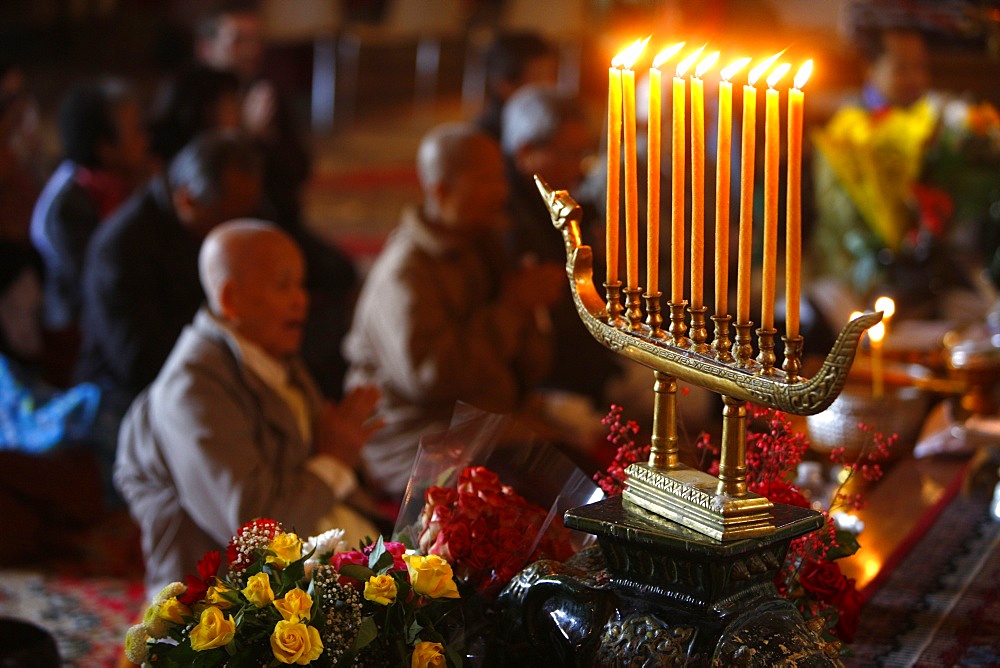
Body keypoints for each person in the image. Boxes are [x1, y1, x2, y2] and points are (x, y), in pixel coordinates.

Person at [115, 219, 382, 598]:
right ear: (230, 299)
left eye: (301, 285)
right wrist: (334, 459)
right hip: (222, 609)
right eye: (283, 285)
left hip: (298, 564)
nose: (300, 299)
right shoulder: (192, 389)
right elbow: (253, 532)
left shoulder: (271, 354)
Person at [343, 122, 563, 501]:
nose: (501, 191)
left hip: (487, 426)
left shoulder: (483, 247)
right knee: (534, 504)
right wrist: (512, 307)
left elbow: (530, 366)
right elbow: (431, 377)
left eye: (499, 177)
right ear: (441, 189)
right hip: (420, 440)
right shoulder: (406, 271)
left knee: (581, 483)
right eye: (484, 180)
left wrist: (531, 313)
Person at [195, 2, 359, 398]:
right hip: (221, 236)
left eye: (255, 41)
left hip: (279, 223)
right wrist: (243, 139)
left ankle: (318, 374)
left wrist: (266, 143)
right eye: (237, 41)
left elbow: (299, 172)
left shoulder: (268, 93)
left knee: (343, 274)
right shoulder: (196, 98)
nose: (249, 52)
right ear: (208, 48)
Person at [76, 130, 263, 425]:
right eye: (226, 217)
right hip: (131, 398)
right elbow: (140, 360)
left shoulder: (218, 218)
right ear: (187, 200)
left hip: (210, 370)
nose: (238, 228)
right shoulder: (123, 247)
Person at [501, 84, 620, 407]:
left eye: (583, 154)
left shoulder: (567, 202)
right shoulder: (509, 221)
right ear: (526, 153)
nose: (579, 166)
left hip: (596, 363)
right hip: (555, 383)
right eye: (567, 153)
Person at [30, 78, 151, 333]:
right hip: (76, 333)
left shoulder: (115, 186)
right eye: (136, 130)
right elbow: (101, 283)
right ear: (105, 148)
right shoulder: (69, 205)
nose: (146, 140)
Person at [474, 30, 558, 141]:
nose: (550, 85)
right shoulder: (484, 141)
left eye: (551, 75)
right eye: (539, 77)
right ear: (504, 84)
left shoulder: (549, 130)